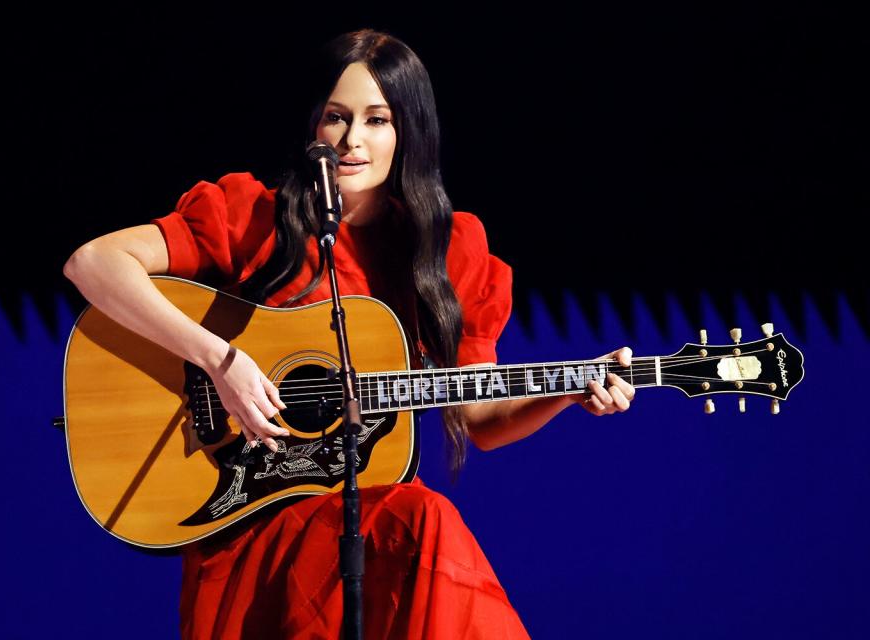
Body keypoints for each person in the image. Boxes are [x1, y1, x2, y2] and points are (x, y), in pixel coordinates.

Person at [63, 28, 635, 639]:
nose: (352, 140)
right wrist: (219, 360)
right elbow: (93, 264)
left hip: (373, 530)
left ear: (408, 132)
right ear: (314, 125)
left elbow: (479, 418)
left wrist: (572, 388)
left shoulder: (448, 254)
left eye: (377, 120)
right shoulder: (251, 215)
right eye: (336, 117)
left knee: (424, 521)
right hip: (252, 520)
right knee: (426, 519)